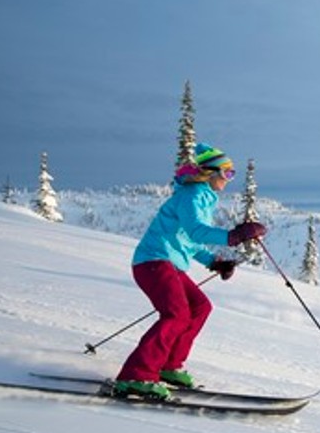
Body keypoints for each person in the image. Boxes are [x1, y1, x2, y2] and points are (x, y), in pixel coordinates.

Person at [114, 143, 267, 400]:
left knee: (200, 307)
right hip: (153, 261)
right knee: (176, 315)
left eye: (232, 173)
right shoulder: (192, 195)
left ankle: (169, 366)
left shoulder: (202, 197)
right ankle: (136, 375)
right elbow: (196, 231)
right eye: (227, 172)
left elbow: (189, 241)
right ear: (210, 172)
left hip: (169, 263)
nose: (229, 179)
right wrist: (232, 237)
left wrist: (214, 262)